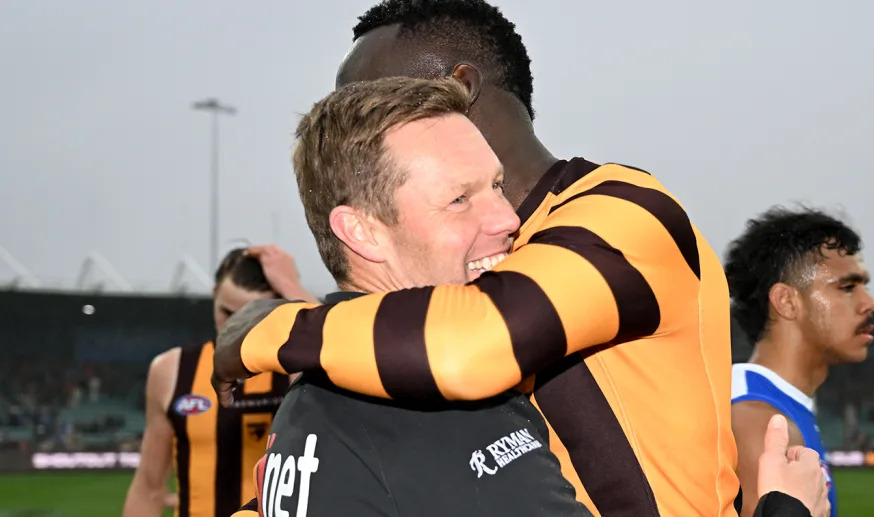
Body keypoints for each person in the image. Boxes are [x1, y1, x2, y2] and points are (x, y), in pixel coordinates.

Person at [214, 2, 827, 516]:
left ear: (458, 87)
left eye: (373, 98)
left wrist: (269, 328)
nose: (353, 127)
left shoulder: (622, 212)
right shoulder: (391, 345)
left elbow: (474, 340)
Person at [235, 77, 592, 516]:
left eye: (496, 186)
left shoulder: (315, 399)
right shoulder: (441, 406)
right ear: (362, 232)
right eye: (459, 199)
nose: (507, 218)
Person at [123, 245, 316, 517]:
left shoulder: (296, 369)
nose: (234, 328)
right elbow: (149, 487)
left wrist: (290, 284)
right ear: (214, 296)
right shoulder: (171, 370)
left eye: (251, 317)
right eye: (227, 313)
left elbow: (337, 349)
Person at [724, 207, 874, 517]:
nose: (869, 303)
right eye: (847, 287)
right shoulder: (760, 422)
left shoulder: (775, 406)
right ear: (786, 302)